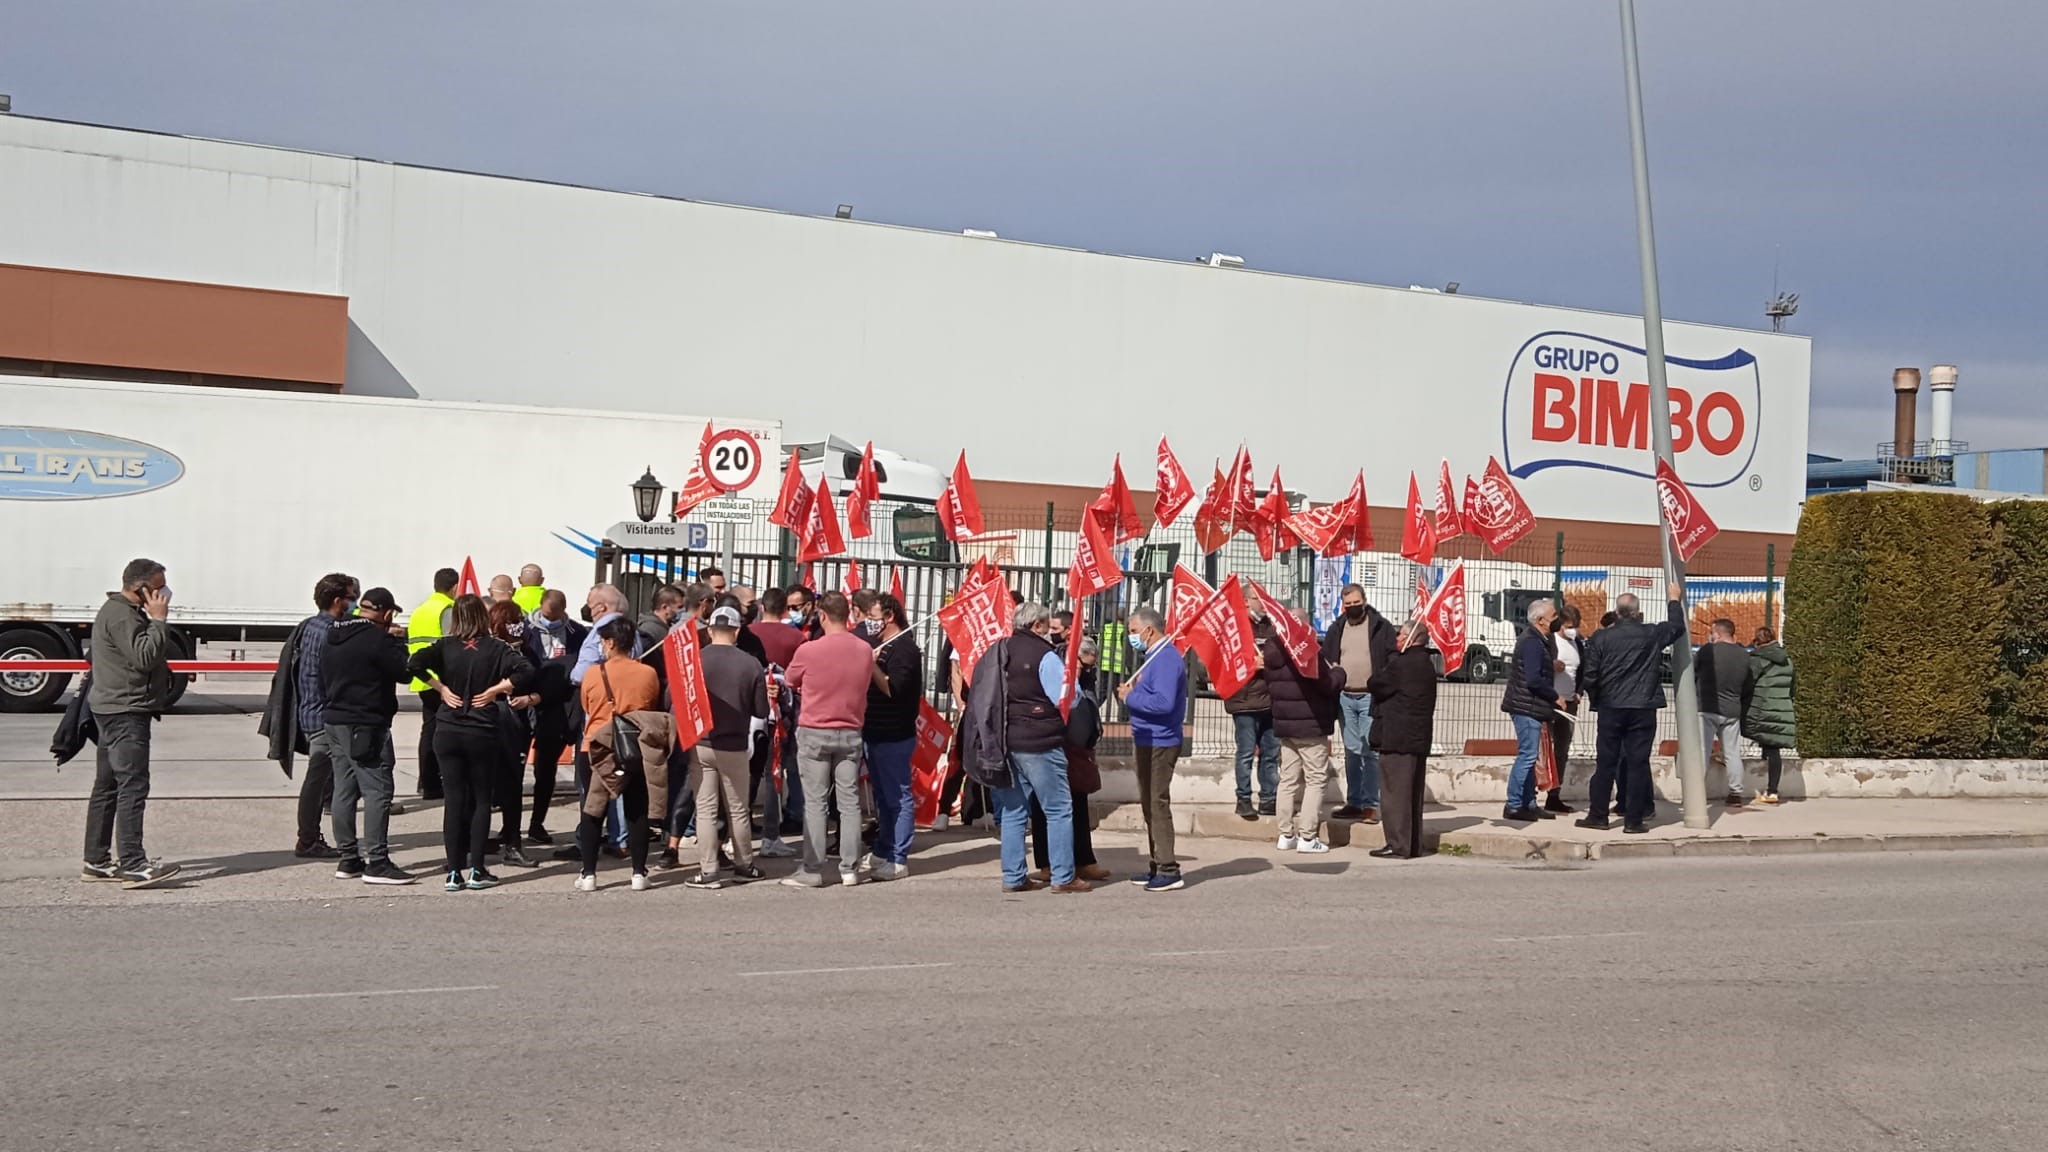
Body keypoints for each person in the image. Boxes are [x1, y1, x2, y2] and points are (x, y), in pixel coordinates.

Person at [406, 594, 537, 891]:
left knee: (453, 801)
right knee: (480, 800)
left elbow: (413, 663)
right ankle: (477, 869)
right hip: (482, 730)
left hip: (448, 728)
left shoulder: (445, 646)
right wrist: (497, 689)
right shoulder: (496, 647)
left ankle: (454, 871)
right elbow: (527, 670)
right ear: (482, 616)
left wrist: (440, 688)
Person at [965, 602, 1087, 893]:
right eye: (1046, 625)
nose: (1049, 631)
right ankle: (1063, 876)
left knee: (1013, 811)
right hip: (1041, 742)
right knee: (1057, 809)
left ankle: (1013, 876)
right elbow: (1068, 698)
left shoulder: (999, 651)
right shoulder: (1045, 656)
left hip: (1003, 743)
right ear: (1037, 626)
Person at [80, 558, 180, 887]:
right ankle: (133, 863)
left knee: (107, 786)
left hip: (111, 707)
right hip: (125, 711)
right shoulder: (123, 615)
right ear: (141, 589)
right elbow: (145, 657)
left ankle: (96, 860)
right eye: (159, 586)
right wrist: (159, 621)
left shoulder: (117, 611)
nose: (165, 592)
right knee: (132, 785)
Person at [1576, 585, 1688, 834]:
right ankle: (1634, 820)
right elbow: (1677, 627)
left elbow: (1590, 674)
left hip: (1611, 707)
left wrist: (1597, 699)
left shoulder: (1601, 637)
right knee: (1638, 763)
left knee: (1605, 762)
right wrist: (1673, 600)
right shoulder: (1651, 634)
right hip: (1642, 707)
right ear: (1638, 613)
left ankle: (1598, 815)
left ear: (1616, 612)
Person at [322, 587, 415, 884]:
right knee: (378, 790)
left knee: (344, 789)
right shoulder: (379, 640)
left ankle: (348, 858)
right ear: (387, 613)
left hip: (335, 719)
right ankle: (377, 861)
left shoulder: (332, 634)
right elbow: (405, 673)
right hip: (366, 723)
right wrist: (400, 643)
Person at [781, 591, 872, 887]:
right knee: (849, 803)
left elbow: (791, 680)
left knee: (816, 802)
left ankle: (812, 869)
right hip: (850, 732)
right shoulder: (863, 649)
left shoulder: (809, 650)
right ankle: (850, 868)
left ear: (822, 615)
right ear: (848, 615)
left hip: (815, 731)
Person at [261, 572, 353, 859]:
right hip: (324, 716)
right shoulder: (330, 633)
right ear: (338, 601)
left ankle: (311, 835)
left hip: (311, 712)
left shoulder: (310, 626)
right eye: (351, 597)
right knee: (318, 776)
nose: (355, 602)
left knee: (323, 776)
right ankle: (309, 838)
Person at [574, 618, 663, 891]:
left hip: (597, 746)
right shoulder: (648, 673)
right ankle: (639, 872)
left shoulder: (592, 673)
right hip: (633, 746)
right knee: (637, 808)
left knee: (592, 809)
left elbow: (587, 704)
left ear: (610, 643)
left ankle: (588, 873)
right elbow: (651, 703)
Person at [685, 606, 770, 889]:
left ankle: (708, 871)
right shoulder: (751, 664)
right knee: (738, 808)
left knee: (706, 808)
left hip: (701, 742)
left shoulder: (696, 660)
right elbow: (761, 710)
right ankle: (744, 864)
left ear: (709, 631)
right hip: (734, 744)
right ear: (736, 631)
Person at [1261, 604, 1346, 855]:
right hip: (1310, 724)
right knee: (1315, 780)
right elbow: (1327, 684)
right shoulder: (1307, 651)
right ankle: (1308, 837)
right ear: (1304, 626)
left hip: (1285, 724)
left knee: (1287, 780)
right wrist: (1339, 671)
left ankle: (1285, 834)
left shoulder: (1272, 648)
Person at [1030, 636, 1111, 883]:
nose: (1087, 670)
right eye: (1083, 665)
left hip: (1078, 750)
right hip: (1054, 744)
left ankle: (1084, 860)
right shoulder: (1052, 670)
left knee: (1078, 804)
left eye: (1091, 666)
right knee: (1045, 806)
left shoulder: (1085, 678)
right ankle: (1047, 864)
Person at [1119, 605, 1187, 892]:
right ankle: (1157, 862)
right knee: (1148, 803)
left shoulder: (1166, 659)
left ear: (1149, 630)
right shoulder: (1152, 658)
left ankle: (1168, 868)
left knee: (1157, 803)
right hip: (1146, 737)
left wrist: (1130, 698)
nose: (1132, 637)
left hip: (1161, 740)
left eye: (1134, 631)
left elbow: (1164, 703)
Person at [1323, 583, 1395, 823]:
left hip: (1369, 697)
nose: (1353, 607)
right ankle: (1354, 802)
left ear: (1364, 601)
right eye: (1348, 604)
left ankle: (1371, 805)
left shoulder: (1380, 627)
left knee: (1370, 751)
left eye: (1356, 603)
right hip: (1345, 697)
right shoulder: (1337, 628)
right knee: (1352, 752)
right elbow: (1328, 658)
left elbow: (1390, 659)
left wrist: (1381, 684)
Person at [862, 592, 922, 881]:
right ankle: (883, 848)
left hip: (894, 734)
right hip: (873, 731)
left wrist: (870, 665)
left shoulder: (905, 650)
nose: (869, 623)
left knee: (898, 796)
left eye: (873, 618)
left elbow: (893, 689)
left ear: (889, 617)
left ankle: (899, 858)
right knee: (883, 799)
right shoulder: (880, 645)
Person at [1367, 618, 1438, 859]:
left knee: (1395, 794)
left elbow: (1376, 684)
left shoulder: (1402, 664)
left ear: (1411, 638)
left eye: (1400, 635)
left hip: (1398, 737)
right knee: (1412, 794)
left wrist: (1384, 667)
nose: (1396, 639)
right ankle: (1412, 843)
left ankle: (1398, 844)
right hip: (1417, 737)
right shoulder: (1427, 664)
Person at [521, 589, 584, 846]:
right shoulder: (526, 632)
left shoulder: (577, 633)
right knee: (515, 767)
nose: (551, 620)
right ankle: (510, 828)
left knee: (546, 771)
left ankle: (537, 823)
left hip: (558, 709)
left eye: (556, 616)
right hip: (527, 705)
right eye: (548, 616)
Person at [487, 599, 542, 867]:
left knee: (511, 785)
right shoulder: (491, 651)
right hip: (495, 721)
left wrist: (531, 697)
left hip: (515, 723)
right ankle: (480, 840)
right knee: (486, 785)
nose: (521, 624)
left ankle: (511, 840)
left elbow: (542, 679)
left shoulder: (527, 651)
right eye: (516, 619)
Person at [1500, 598, 1561, 823]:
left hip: (1532, 706)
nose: (1557, 620)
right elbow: (1534, 679)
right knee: (1527, 756)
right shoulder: (1531, 642)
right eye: (1554, 616)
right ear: (1541, 620)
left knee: (1532, 757)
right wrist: (1556, 697)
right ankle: (1514, 804)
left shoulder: (1541, 640)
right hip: (1526, 706)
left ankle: (1529, 802)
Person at [406, 566, 460, 801]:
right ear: (454, 587)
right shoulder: (446, 609)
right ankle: (435, 781)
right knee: (442, 732)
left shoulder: (421, 609)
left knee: (428, 730)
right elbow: (452, 642)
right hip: (440, 680)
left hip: (422, 677)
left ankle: (425, 782)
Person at [1223, 607, 1280, 820]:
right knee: (1246, 752)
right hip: (1244, 701)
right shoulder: (1234, 627)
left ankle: (1268, 798)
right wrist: (1251, 666)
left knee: (1270, 754)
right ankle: (1243, 799)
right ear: (1244, 602)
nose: (1262, 604)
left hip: (1269, 700)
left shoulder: (1270, 627)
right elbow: (1226, 661)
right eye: (1256, 598)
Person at [1697, 618, 1753, 805]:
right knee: (1732, 753)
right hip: (1732, 710)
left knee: (1702, 752)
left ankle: (1696, 793)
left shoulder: (1707, 651)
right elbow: (1748, 685)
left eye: (1712, 632)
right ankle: (1735, 793)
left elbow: (1693, 673)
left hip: (1706, 707)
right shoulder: (1744, 655)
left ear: (1717, 634)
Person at [1743, 627, 1796, 805]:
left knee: (1733, 728)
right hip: (1780, 707)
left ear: (1758, 642)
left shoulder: (1758, 659)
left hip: (1760, 707)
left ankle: (1724, 756)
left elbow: (1747, 684)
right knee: (1774, 750)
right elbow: (1792, 688)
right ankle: (1773, 791)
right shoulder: (1787, 659)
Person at [1546, 605, 1585, 814]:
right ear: (1561, 624)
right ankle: (1533, 794)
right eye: (1570, 626)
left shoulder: (1577, 643)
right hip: (1550, 702)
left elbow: (1582, 669)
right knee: (1543, 750)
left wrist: (1579, 691)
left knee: (1562, 750)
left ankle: (1554, 795)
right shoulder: (1550, 641)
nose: (1573, 630)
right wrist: (1552, 665)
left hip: (1569, 703)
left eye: (1576, 627)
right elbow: (1539, 667)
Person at [752, 586, 806, 671]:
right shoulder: (797, 637)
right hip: (784, 681)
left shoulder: (747, 632)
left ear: (762, 608)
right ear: (785, 609)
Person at [639, 584, 686, 652]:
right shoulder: (649, 630)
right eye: (679, 607)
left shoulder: (667, 626)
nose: (682, 611)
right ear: (665, 607)